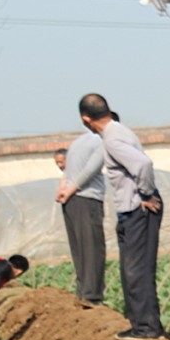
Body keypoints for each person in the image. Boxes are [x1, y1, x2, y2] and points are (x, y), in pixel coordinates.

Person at [78, 94, 163, 340]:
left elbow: (143, 165)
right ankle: (142, 324)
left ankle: (146, 328)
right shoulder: (118, 132)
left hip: (139, 209)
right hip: (131, 210)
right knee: (132, 270)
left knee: (137, 270)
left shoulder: (113, 139)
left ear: (86, 119)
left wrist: (146, 195)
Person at [55, 128, 107, 306]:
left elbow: (68, 170)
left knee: (79, 249)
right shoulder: (102, 142)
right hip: (87, 198)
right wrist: (70, 189)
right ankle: (92, 296)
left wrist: (63, 189)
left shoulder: (78, 142)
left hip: (71, 202)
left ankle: (82, 291)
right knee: (93, 248)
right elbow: (91, 169)